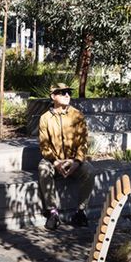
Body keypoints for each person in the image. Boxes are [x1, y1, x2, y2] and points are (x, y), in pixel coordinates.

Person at [37, 83, 95, 231]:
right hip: (54, 161)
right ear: (53, 96)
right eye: (62, 93)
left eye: (68, 92)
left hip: (73, 161)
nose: (67, 95)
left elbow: (83, 142)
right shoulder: (45, 118)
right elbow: (44, 145)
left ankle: (80, 212)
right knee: (43, 168)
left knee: (89, 171)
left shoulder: (77, 115)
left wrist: (76, 161)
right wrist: (55, 162)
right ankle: (52, 212)